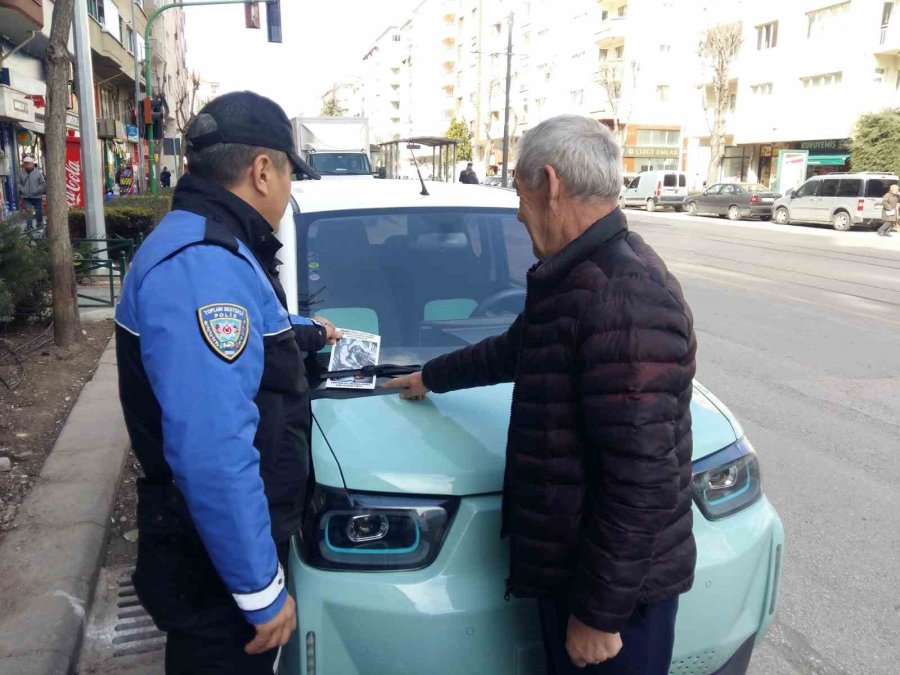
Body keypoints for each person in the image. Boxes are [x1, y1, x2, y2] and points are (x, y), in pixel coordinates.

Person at [386, 115, 697, 675]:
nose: (519, 213)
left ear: (549, 184)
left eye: (520, 195)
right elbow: (518, 348)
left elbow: (642, 478)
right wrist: (430, 376)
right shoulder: (577, 275)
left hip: (614, 602)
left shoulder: (625, 297)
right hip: (576, 573)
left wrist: (600, 615)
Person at [115, 91, 341, 674]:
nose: (290, 191)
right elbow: (213, 451)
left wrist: (305, 332)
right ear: (263, 171)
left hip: (207, 544)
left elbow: (243, 330)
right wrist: (259, 591)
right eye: (291, 173)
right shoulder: (205, 263)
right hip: (211, 560)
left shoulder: (210, 243)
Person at [16, 154, 46, 230]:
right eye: (25, 164)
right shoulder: (21, 173)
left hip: (37, 196)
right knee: (28, 211)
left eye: (28, 164)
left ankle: (39, 224)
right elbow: (18, 183)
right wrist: (22, 190)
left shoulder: (38, 173)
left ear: (32, 164)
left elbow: (43, 183)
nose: (27, 166)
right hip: (26, 196)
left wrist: (37, 190)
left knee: (38, 210)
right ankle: (29, 225)